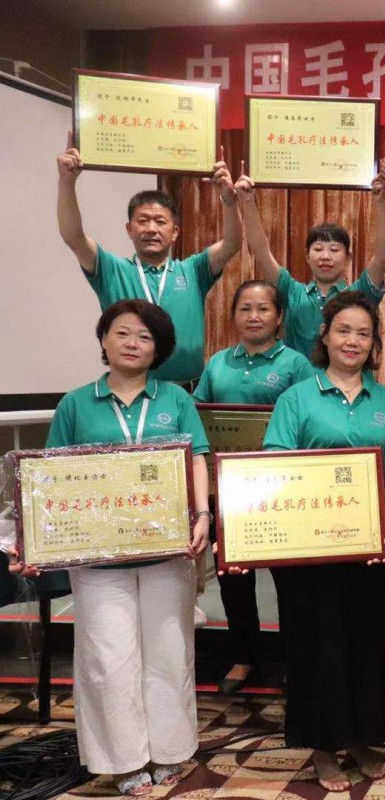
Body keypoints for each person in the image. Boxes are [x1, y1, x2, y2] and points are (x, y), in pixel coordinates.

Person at [10, 299, 211, 795]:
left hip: (167, 552)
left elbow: (197, 459)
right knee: (108, 656)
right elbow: (47, 479)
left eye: (145, 337)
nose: (132, 343)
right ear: (103, 339)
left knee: (170, 652)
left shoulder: (175, 400)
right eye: (122, 333)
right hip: (98, 557)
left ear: (159, 348)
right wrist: (34, 541)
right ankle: (122, 761)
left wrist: (203, 515)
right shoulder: (76, 404)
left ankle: (170, 750)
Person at [261, 291, 385, 792]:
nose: (353, 341)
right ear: (324, 336)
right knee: (317, 645)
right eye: (344, 330)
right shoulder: (297, 398)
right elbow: (277, 464)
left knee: (369, 643)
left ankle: (363, 738)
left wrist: (381, 514)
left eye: (363, 333)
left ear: (374, 343)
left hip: (370, 544)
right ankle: (323, 748)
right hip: (312, 551)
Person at [193, 280, 315, 693]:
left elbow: (308, 418)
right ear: (233, 316)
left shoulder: (297, 363)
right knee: (234, 577)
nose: (254, 316)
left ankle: (296, 658)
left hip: (281, 490)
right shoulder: (217, 364)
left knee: (291, 582)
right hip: (228, 492)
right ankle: (244, 656)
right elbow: (200, 419)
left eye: (263, 309)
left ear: (279, 317)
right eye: (245, 308)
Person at [56, 136, 243, 386]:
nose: (151, 229)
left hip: (189, 391)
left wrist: (229, 200)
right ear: (129, 229)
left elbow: (232, 244)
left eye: (160, 222)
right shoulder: (112, 270)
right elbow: (74, 237)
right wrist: (67, 182)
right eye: (143, 221)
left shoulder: (193, 270)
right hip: (132, 389)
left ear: (174, 232)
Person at [235, 159, 385, 360]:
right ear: (307, 256)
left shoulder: (359, 293)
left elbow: (381, 257)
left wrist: (380, 202)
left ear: (348, 258)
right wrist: (247, 201)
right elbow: (261, 252)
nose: (325, 256)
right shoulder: (292, 292)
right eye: (318, 249)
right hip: (298, 379)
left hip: (350, 378)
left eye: (334, 250)